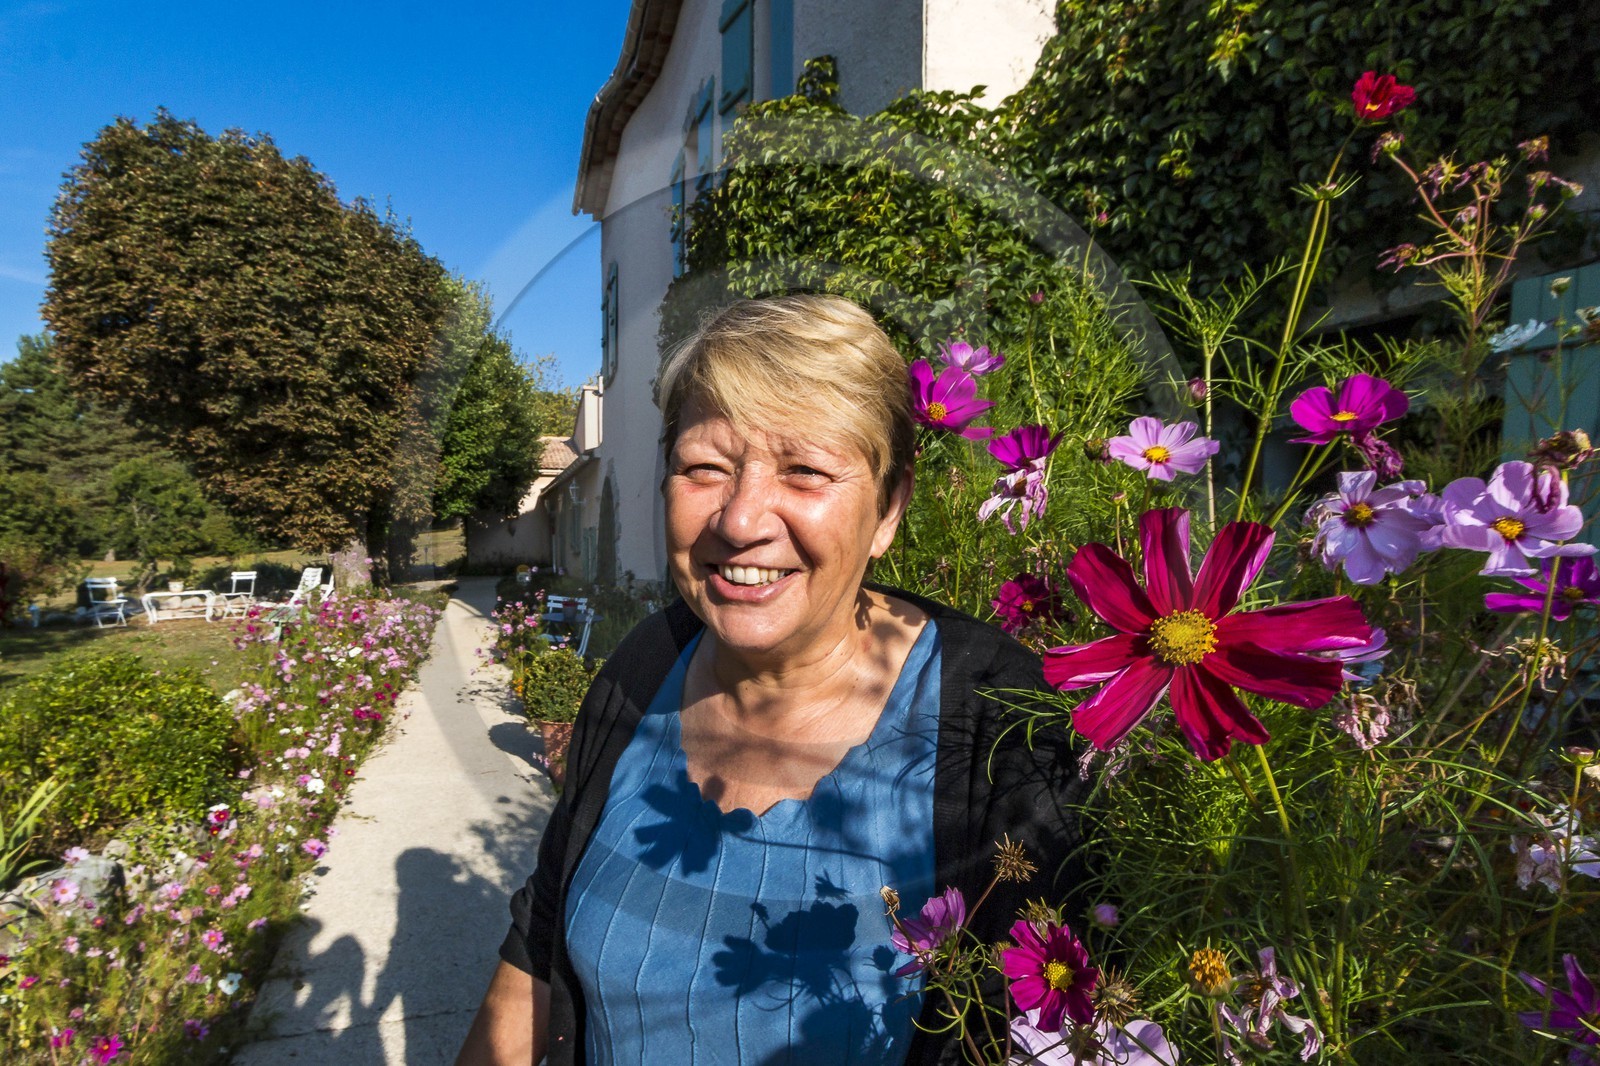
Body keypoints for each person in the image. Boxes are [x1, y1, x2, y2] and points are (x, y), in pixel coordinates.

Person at [457, 295, 1087, 1065]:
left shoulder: (1003, 726)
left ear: (890, 507)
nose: (741, 518)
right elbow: (538, 939)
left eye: (806, 470)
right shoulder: (642, 669)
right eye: (705, 468)